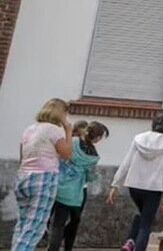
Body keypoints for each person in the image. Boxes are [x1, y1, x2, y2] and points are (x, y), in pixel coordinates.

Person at [108, 113, 163, 251]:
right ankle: (135, 245)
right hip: (153, 188)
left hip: (134, 185)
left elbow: (126, 162)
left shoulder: (139, 138)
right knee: (146, 224)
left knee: (143, 214)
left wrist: (115, 184)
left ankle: (130, 241)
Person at [13, 98, 73, 251]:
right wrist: (68, 131)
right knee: (34, 228)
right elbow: (67, 154)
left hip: (23, 177)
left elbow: (22, 157)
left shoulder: (29, 129)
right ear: (61, 114)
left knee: (23, 225)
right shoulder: (53, 130)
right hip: (44, 179)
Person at [48, 121, 108, 251]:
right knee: (72, 222)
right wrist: (96, 176)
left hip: (58, 186)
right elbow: (90, 176)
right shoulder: (93, 156)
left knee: (57, 224)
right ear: (97, 138)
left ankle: (52, 247)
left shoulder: (72, 142)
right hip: (75, 194)